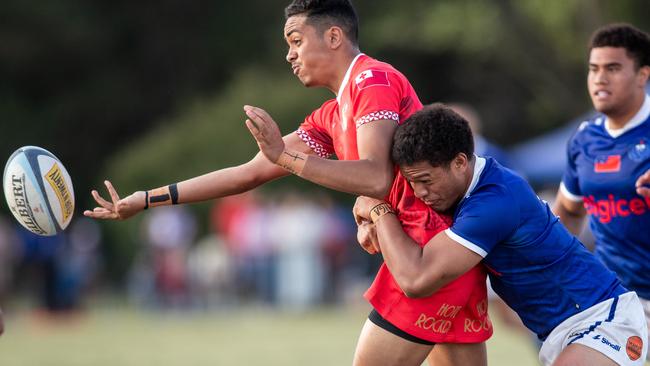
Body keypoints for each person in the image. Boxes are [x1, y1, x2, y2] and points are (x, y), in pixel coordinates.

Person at [84, 1, 490, 365]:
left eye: (296, 40)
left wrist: (289, 158)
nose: (289, 54)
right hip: (434, 257)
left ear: (334, 36)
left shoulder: (372, 80)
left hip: (427, 257)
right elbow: (248, 174)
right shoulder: (331, 115)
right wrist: (148, 198)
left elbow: (376, 175)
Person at [354, 104, 648, 365]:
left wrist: (380, 209)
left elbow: (415, 280)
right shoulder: (462, 190)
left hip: (603, 321)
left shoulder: (494, 201)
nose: (420, 193)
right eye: (411, 182)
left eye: (425, 180)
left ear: (459, 162)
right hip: (558, 332)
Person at [552, 23, 650, 361]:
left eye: (613, 68)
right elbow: (569, 211)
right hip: (616, 299)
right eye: (594, 69)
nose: (600, 78)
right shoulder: (584, 140)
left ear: (642, 75)